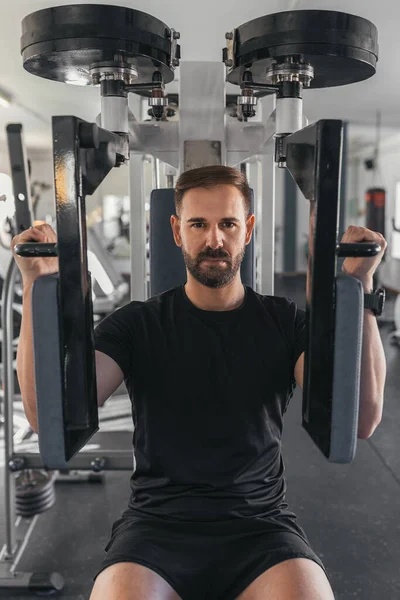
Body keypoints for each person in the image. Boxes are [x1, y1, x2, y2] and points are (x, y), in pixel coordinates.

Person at [13, 165, 386, 600]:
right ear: (176, 230)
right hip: (156, 527)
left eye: (227, 223)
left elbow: (359, 420)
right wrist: (35, 282)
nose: (214, 240)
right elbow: (49, 418)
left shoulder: (284, 323)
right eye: (198, 224)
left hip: (260, 527)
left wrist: (361, 288)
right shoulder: (136, 326)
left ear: (247, 229)